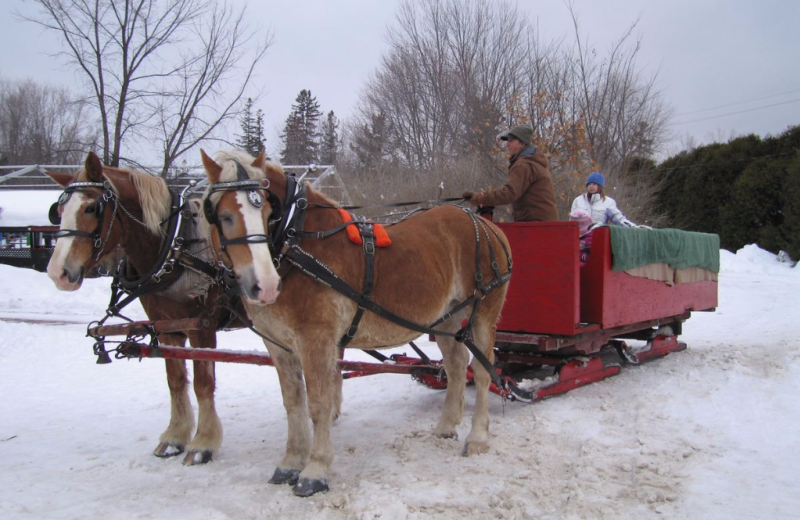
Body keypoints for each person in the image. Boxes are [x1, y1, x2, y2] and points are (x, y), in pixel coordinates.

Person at [463, 125, 559, 222]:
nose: (507, 144)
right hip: (543, 221)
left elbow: (509, 193)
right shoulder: (532, 161)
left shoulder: (523, 165)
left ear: (522, 143)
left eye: (511, 141)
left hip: (534, 223)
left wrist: (482, 197)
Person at [570, 172, 637, 227]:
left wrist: (634, 227)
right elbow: (571, 221)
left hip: (599, 238)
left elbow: (619, 219)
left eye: (594, 184)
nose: (591, 186)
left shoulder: (608, 202)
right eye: (589, 184)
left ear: (600, 186)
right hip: (580, 238)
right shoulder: (578, 200)